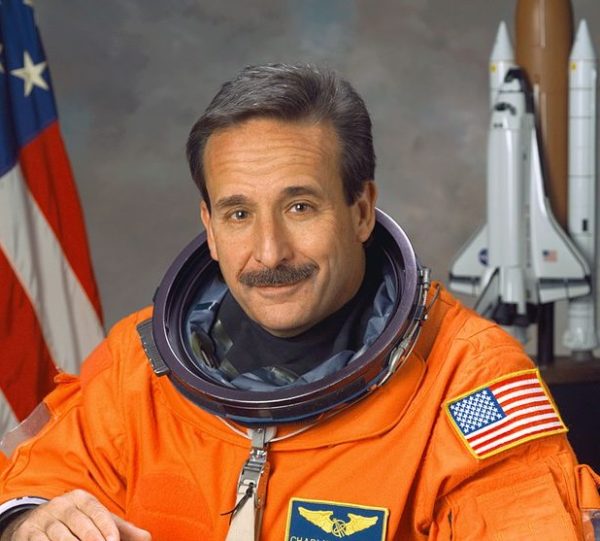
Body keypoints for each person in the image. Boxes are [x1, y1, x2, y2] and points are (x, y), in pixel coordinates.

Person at [0, 63, 598, 541]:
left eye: (299, 207)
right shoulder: (139, 365)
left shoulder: (467, 377)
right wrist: (29, 521)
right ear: (210, 228)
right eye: (239, 213)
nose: (269, 252)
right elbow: (36, 482)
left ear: (361, 211)